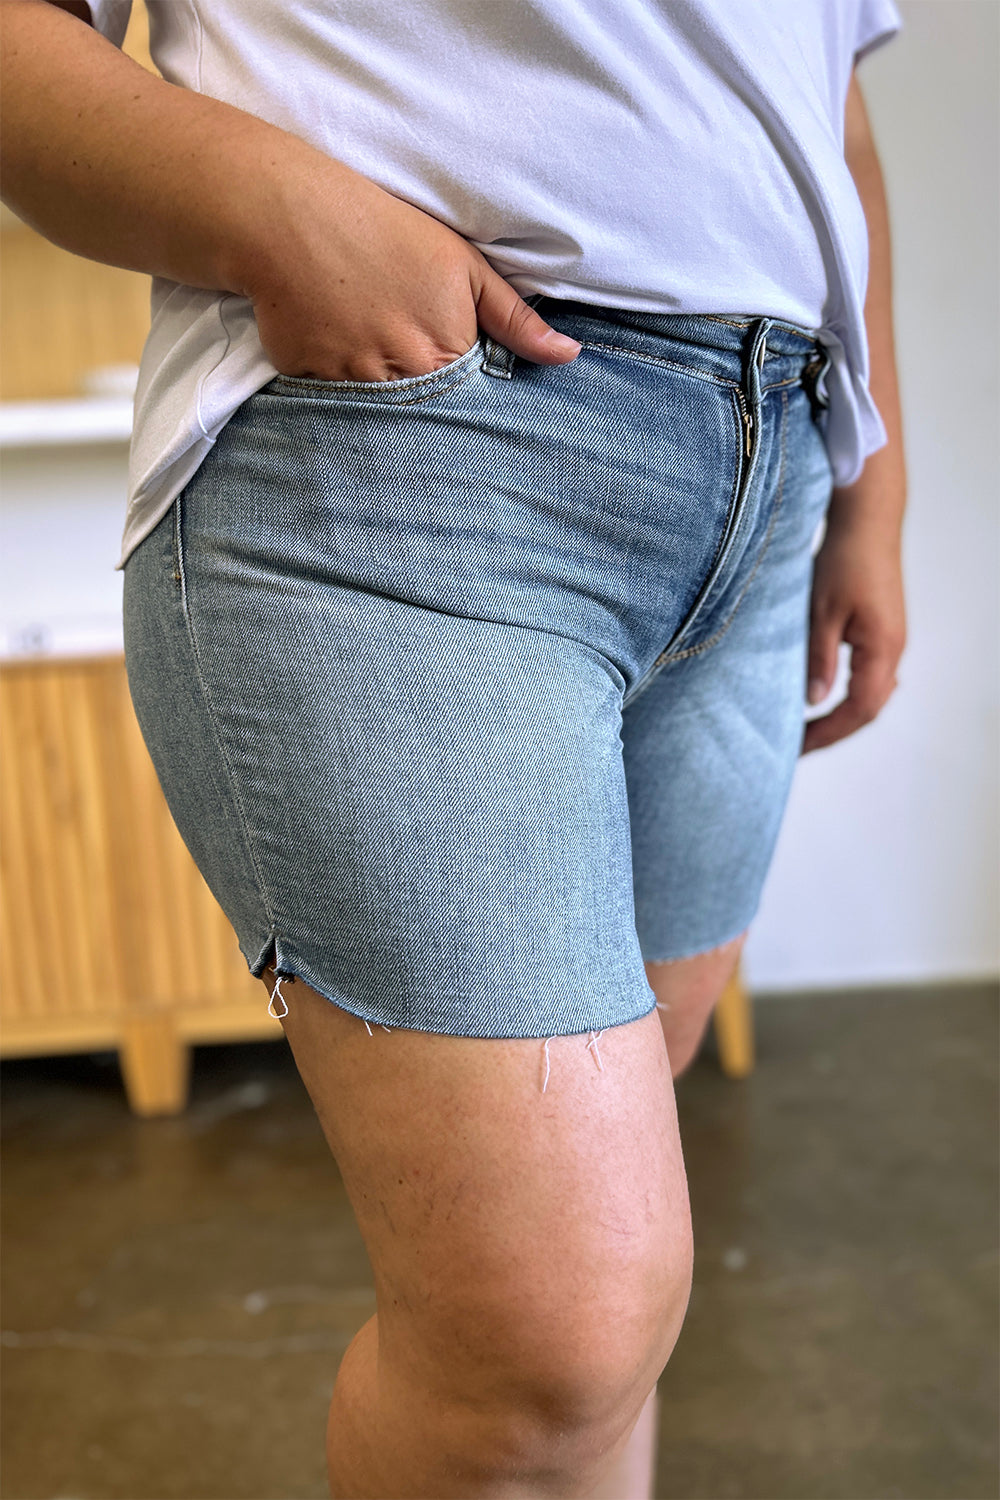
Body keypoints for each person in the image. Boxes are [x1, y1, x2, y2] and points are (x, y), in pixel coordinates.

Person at [1, 0, 908, 1494]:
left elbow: (831, 103)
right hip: (415, 455)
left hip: (769, 471)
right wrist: (273, 210)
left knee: (592, 1348)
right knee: (547, 1334)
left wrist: (873, 480)